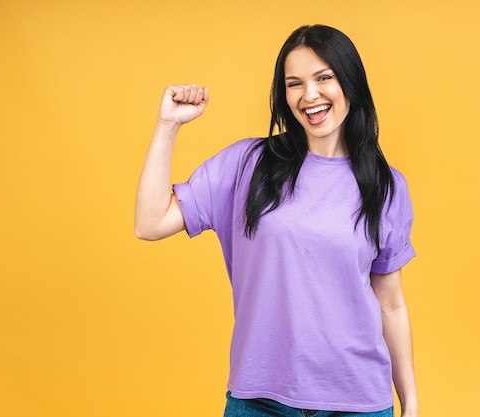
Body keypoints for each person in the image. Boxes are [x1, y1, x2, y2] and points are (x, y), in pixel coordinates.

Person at [135, 24, 418, 417]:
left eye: (324, 78)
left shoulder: (385, 186)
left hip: (358, 403)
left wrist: (412, 403)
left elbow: (391, 305)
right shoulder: (247, 164)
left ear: (350, 83)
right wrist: (168, 125)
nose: (310, 95)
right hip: (259, 400)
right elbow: (149, 223)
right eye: (294, 83)